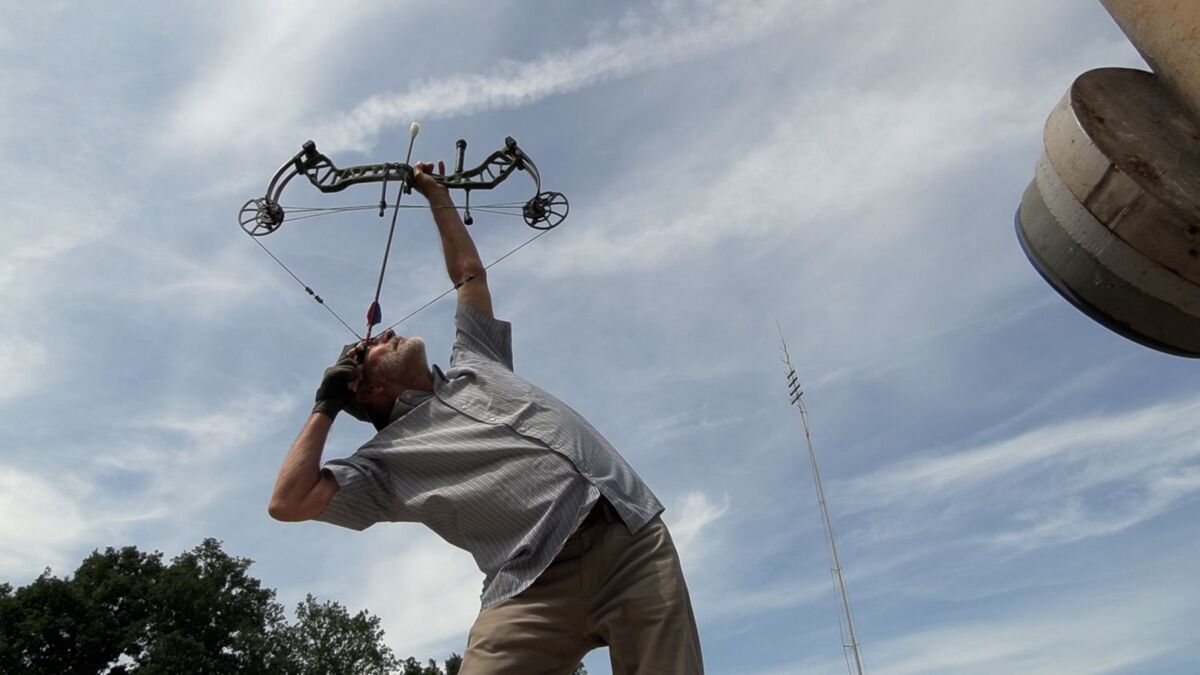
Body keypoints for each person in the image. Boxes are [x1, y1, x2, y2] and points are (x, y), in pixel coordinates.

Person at [267, 160, 704, 674]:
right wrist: (326, 404)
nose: (386, 334)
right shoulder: (381, 464)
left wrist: (435, 194)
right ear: (366, 387)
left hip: (628, 538)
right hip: (527, 589)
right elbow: (288, 502)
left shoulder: (475, 359)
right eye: (371, 348)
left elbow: (468, 274)